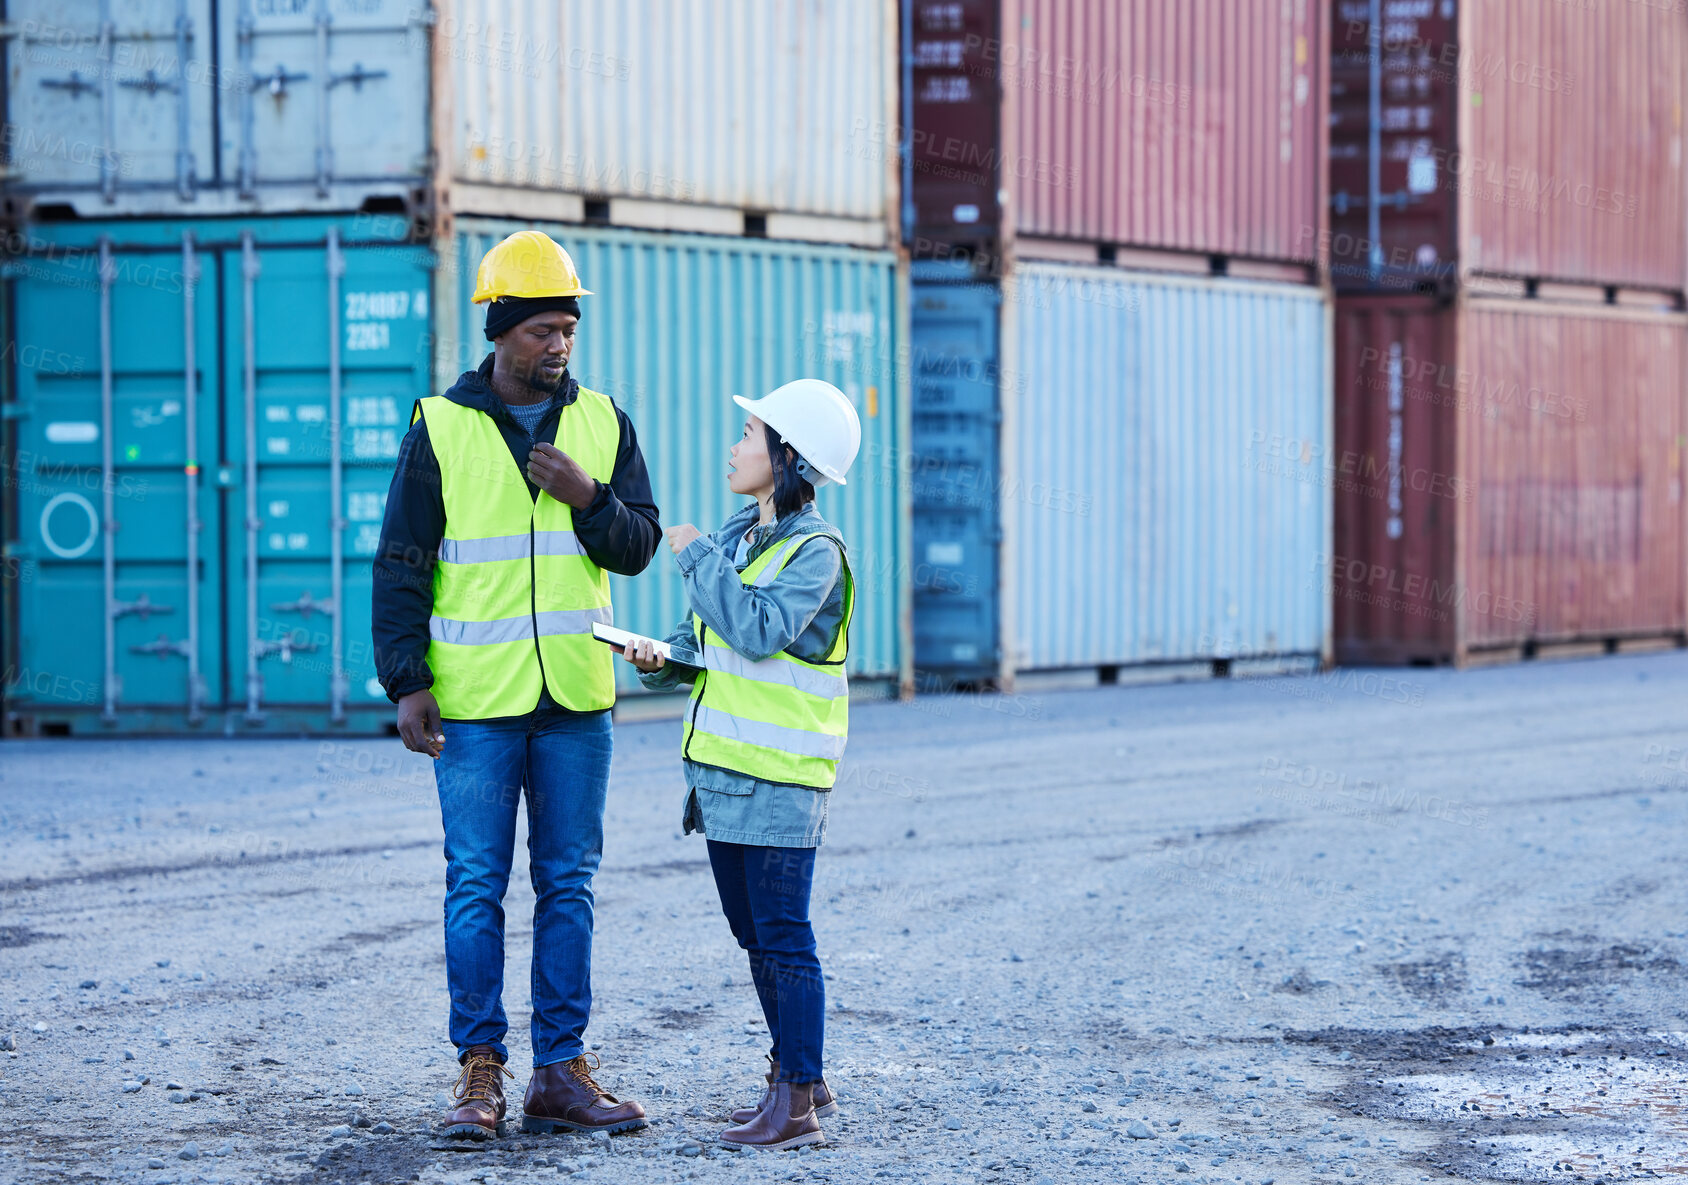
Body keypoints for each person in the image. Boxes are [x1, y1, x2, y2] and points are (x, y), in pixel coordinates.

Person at [372, 230, 659, 1140]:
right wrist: (407, 680)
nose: (558, 345)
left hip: (576, 701)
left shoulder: (605, 423)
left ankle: (562, 1071)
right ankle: (480, 1070)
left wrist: (590, 500)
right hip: (479, 705)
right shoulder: (440, 427)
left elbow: (640, 546)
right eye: (540, 329)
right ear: (500, 333)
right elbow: (400, 563)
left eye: (568, 328)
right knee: (475, 885)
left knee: (568, 883)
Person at [621, 378, 861, 1151]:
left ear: (787, 456)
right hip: (723, 774)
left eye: (750, 432)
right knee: (753, 932)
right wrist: (662, 656)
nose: (736, 445)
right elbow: (714, 640)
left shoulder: (816, 552)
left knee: (785, 935)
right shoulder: (741, 534)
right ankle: (799, 1070)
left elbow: (759, 628)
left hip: (785, 779)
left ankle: (796, 1103)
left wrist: (690, 553)